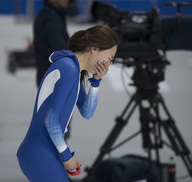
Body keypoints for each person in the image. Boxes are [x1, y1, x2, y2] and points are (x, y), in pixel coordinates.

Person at [17, 25, 119, 182]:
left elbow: (87, 112)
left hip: (44, 151)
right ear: (94, 49)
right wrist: (66, 155)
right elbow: (51, 120)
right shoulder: (68, 68)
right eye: (110, 57)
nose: (109, 63)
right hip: (39, 152)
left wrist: (96, 82)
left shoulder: (74, 68)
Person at [33, 0, 70, 87]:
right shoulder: (52, 21)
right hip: (53, 78)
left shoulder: (45, 14)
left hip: (47, 75)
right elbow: (61, 51)